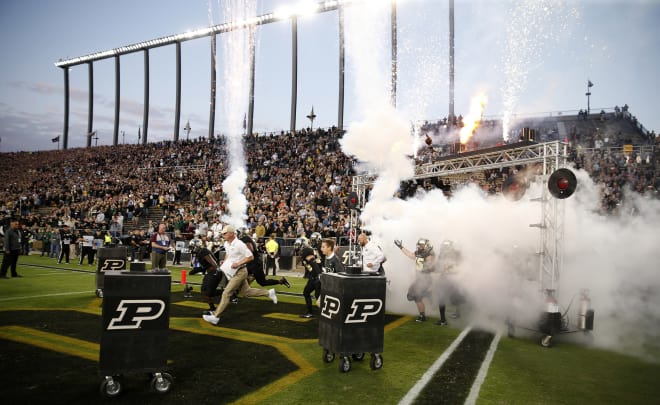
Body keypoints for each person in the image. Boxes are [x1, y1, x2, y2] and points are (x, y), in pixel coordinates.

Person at [202, 225, 278, 325]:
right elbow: (228, 254)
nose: (223, 235)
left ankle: (216, 316)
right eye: (223, 233)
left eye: (225, 233)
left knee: (226, 293)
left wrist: (238, 263)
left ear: (232, 234)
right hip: (231, 272)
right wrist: (225, 262)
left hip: (240, 272)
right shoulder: (227, 243)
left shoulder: (239, 244)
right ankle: (269, 293)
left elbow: (250, 257)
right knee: (247, 292)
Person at [394, 237, 447, 325]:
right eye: (419, 244)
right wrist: (401, 247)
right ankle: (425, 305)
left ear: (427, 245)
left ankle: (423, 313)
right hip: (420, 278)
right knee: (411, 296)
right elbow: (410, 255)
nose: (419, 246)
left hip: (426, 278)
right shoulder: (419, 252)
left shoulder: (430, 253)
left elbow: (429, 264)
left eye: (422, 245)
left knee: (415, 295)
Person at [188, 238, 224, 314]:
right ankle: (212, 308)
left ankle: (227, 292)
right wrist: (198, 269)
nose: (191, 249)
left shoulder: (203, 252)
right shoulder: (200, 252)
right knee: (204, 292)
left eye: (192, 247)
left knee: (209, 293)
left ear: (196, 246)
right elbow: (206, 266)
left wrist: (202, 270)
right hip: (211, 273)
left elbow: (214, 264)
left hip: (214, 273)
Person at [295, 237, 322, 318]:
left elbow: (314, 264)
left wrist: (319, 275)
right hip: (313, 277)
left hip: (317, 278)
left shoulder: (307, 251)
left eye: (297, 245)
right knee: (306, 292)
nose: (296, 247)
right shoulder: (305, 252)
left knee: (318, 297)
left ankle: (327, 315)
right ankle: (309, 312)